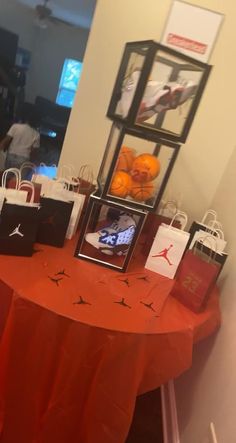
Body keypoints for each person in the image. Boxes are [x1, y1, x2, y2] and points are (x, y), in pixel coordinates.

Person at [0, 104, 40, 170]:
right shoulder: (36, 134)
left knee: (7, 174)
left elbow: (5, 142)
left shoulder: (15, 126)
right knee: (18, 177)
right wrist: (33, 163)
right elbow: (33, 152)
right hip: (23, 159)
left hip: (11, 156)